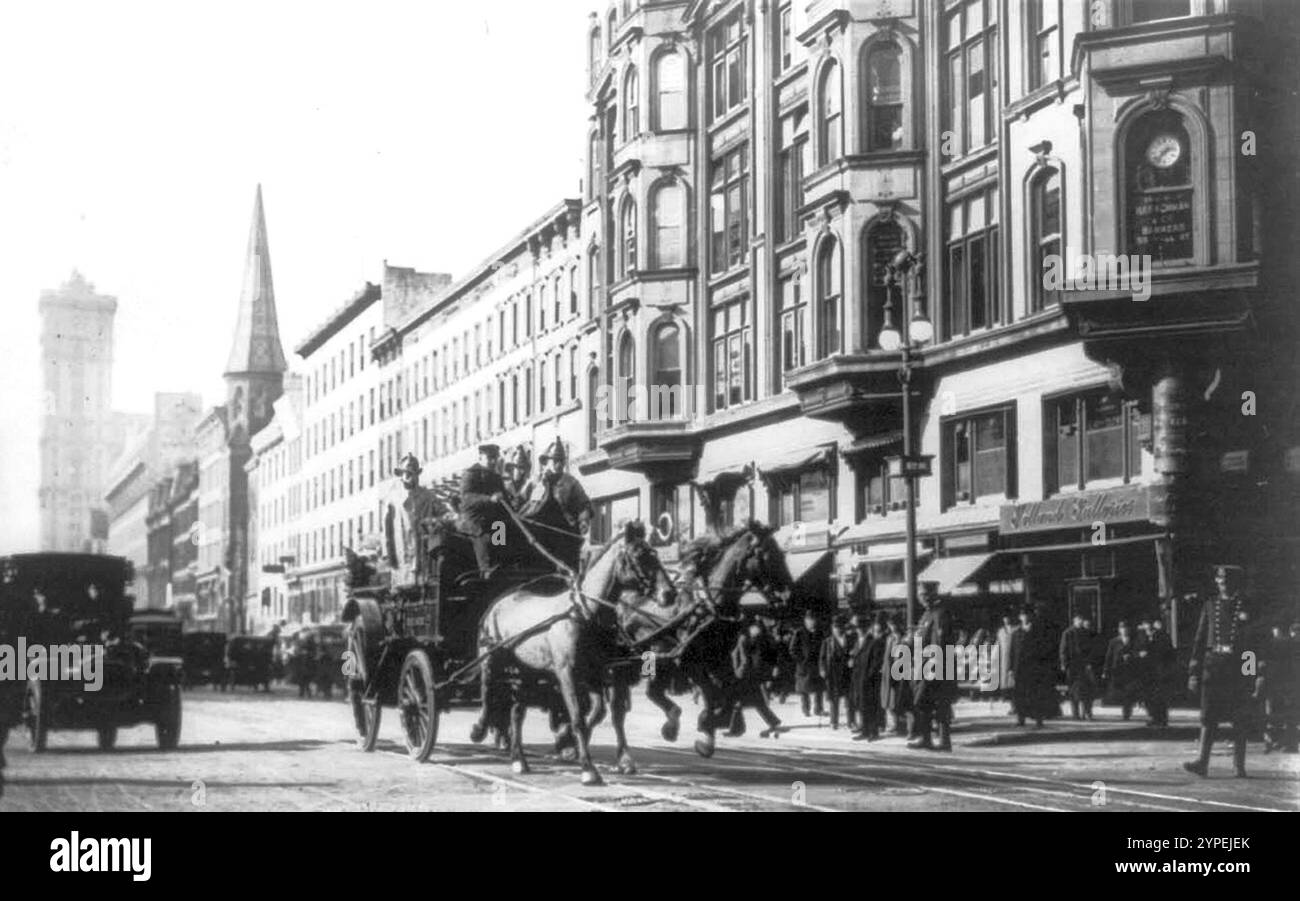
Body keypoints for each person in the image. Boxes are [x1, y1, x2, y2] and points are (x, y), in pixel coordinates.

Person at [1184, 565, 1264, 778]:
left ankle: (1239, 765)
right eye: (1220, 580)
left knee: (1240, 717)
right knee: (1208, 716)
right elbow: (1200, 639)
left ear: (1235, 583)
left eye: (1227, 581)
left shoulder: (1248, 605)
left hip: (1237, 666)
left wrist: (1250, 675)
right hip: (1214, 665)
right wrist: (1194, 670)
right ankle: (1202, 762)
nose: (1223, 584)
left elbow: (1252, 644)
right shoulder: (1210, 604)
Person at [518, 438, 593, 572]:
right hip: (536, 531)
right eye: (555, 461)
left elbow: (584, 505)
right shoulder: (536, 482)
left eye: (561, 461)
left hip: (563, 533)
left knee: (567, 565)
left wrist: (583, 521)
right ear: (547, 462)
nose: (558, 464)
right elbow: (519, 501)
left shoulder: (571, 483)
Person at [382, 453, 446, 587]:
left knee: (422, 580)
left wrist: (437, 523)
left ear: (418, 474)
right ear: (401, 475)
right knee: (404, 583)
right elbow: (386, 529)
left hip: (423, 548)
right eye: (406, 473)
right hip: (401, 548)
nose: (410, 477)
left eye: (413, 473)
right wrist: (387, 554)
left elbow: (444, 514)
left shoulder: (428, 496)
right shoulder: (393, 498)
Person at [909, 581, 958, 751]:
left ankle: (944, 741)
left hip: (937, 667)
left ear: (933, 595)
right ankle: (926, 738)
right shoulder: (926, 615)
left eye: (924, 595)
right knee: (924, 703)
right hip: (925, 667)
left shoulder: (940, 614)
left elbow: (940, 641)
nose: (922, 598)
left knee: (940, 704)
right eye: (920, 595)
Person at [458, 444, 511, 577]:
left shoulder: (496, 478)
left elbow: (506, 501)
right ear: (480, 457)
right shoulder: (470, 474)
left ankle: (500, 564)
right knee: (483, 533)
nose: (493, 461)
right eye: (490, 458)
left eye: (495, 458)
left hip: (493, 519)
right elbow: (467, 498)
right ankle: (486, 569)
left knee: (502, 528)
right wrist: (489, 499)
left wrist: (515, 513)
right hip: (473, 518)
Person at [730, 619, 784, 738]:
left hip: (746, 676)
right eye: (755, 628)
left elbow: (745, 660)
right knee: (757, 702)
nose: (757, 630)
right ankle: (773, 721)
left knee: (738, 702)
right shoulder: (746, 639)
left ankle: (736, 729)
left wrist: (738, 673)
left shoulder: (749, 640)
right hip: (749, 675)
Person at [1009, 605, 1059, 727]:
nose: (1024, 617)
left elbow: (1045, 650)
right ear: (1020, 617)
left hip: (1034, 669)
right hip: (1019, 669)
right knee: (1020, 695)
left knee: (1036, 695)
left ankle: (1038, 720)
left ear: (1031, 616)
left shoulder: (1038, 631)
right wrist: (1010, 669)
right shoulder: (1016, 633)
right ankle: (1021, 719)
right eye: (1022, 615)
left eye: (1027, 615)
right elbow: (1012, 652)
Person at [1261, 621, 1299, 753]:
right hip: (1286, 682)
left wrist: (1249, 676)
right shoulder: (1290, 644)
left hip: (1274, 682)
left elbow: (1258, 661)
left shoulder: (1272, 644)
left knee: (1272, 713)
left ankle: (1272, 741)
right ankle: (1287, 743)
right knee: (1288, 715)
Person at [851, 613, 889, 741]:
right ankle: (864, 730)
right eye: (857, 628)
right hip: (858, 679)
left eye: (861, 628)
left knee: (871, 705)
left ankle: (874, 732)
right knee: (861, 705)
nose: (859, 630)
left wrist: (869, 676)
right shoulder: (857, 642)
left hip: (869, 680)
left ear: (866, 628)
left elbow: (876, 662)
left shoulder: (874, 642)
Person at [1102, 621, 1142, 721]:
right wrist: (1105, 670)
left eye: (1126, 628)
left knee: (1129, 692)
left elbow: (1138, 652)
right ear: (1119, 630)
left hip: (1131, 670)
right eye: (1122, 628)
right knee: (1121, 691)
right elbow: (1109, 657)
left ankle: (1126, 713)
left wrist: (1132, 656)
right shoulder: (1114, 642)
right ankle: (1125, 709)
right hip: (1118, 670)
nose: (1124, 630)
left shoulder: (1134, 641)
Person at [1141, 615, 1176, 727]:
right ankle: (1152, 716)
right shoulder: (1141, 637)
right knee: (1148, 696)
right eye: (1146, 624)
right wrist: (1139, 654)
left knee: (1160, 696)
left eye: (1150, 624)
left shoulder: (1163, 636)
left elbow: (1169, 653)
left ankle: (1162, 718)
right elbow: (1135, 649)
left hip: (1160, 671)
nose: (1148, 627)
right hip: (1146, 671)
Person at [1059, 614, 1096, 721]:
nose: (1080, 622)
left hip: (1083, 665)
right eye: (1078, 620)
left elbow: (1090, 649)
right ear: (1074, 621)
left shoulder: (1085, 632)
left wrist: (1089, 663)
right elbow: (1063, 650)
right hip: (1072, 665)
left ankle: (1087, 712)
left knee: (1085, 689)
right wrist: (1064, 664)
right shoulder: (1067, 633)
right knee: (1072, 690)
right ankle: (1076, 714)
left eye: (1081, 620)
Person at [819, 616, 853, 729]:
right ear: (832, 629)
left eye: (839, 627)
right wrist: (822, 669)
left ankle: (850, 721)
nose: (837, 630)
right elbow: (822, 658)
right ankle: (834, 721)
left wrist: (852, 660)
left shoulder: (850, 639)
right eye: (835, 627)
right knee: (834, 699)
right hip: (833, 674)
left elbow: (855, 654)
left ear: (843, 628)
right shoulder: (827, 642)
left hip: (847, 674)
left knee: (849, 699)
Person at [790, 612, 826, 718]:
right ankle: (806, 709)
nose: (811, 622)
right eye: (809, 620)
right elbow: (792, 649)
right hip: (804, 666)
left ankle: (818, 709)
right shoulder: (799, 633)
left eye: (813, 620)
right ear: (805, 621)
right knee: (803, 689)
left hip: (817, 665)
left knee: (819, 688)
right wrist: (801, 660)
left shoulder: (820, 633)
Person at [883, 616, 912, 736]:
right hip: (890, 671)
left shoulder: (905, 637)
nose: (892, 627)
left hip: (903, 670)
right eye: (890, 625)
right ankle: (894, 724)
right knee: (891, 699)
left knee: (902, 699)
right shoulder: (890, 638)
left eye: (894, 624)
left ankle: (903, 726)